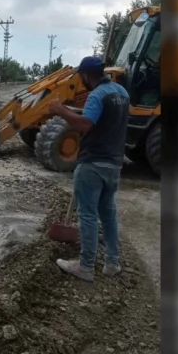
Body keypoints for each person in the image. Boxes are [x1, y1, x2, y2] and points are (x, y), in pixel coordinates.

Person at [48, 56, 130, 282]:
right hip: (114, 164)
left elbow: (85, 124)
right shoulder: (122, 93)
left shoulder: (96, 95)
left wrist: (60, 110)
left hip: (93, 163)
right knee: (108, 214)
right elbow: (107, 120)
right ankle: (112, 262)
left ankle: (85, 266)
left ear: (85, 75)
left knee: (88, 215)